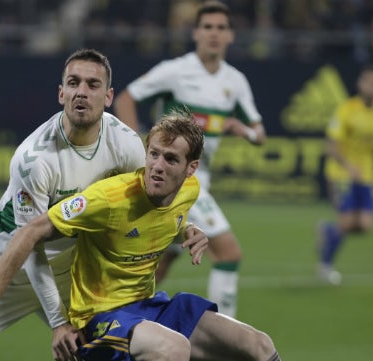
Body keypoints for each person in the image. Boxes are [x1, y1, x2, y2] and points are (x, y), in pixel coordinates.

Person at [0, 109, 281, 361]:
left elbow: (163, 217)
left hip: (149, 307)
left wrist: (187, 230)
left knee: (259, 345)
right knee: (174, 349)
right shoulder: (109, 198)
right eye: (153, 154)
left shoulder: (190, 191)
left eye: (170, 159)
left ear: (190, 168)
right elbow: (30, 231)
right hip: (100, 319)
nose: (157, 166)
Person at [0, 49, 147, 361]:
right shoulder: (34, 159)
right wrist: (50, 319)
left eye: (92, 85)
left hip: (69, 270)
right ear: (61, 93)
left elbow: (144, 207)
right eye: (73, 82)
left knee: (106, 353)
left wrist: (185, 228)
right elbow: (29, 244)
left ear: (108, 96)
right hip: (3, 265)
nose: (82, 91)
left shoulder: (126, 145)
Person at [113, 0, 266, 317]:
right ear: (196, 33)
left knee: (159, 266)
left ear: (231, 36)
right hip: (180, 181)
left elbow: (259, 132)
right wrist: (139, 149)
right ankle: (226, 340)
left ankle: (116, 319)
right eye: (207, 27)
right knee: (228, 253)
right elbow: (126, 99)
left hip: (200, 180)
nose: (214, 33)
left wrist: (244, 131)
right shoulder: (176, 71)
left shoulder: (235, 81)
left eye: (221, 28)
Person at [317, 64, 373, 285]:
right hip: (341, 172)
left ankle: (327, 231)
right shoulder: (346, 110)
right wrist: (348, 165)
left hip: (366, 174)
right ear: (360, 84)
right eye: (369, 82)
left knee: (364, 225)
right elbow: (331, 145)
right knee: (346, 222)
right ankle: (325, 265)